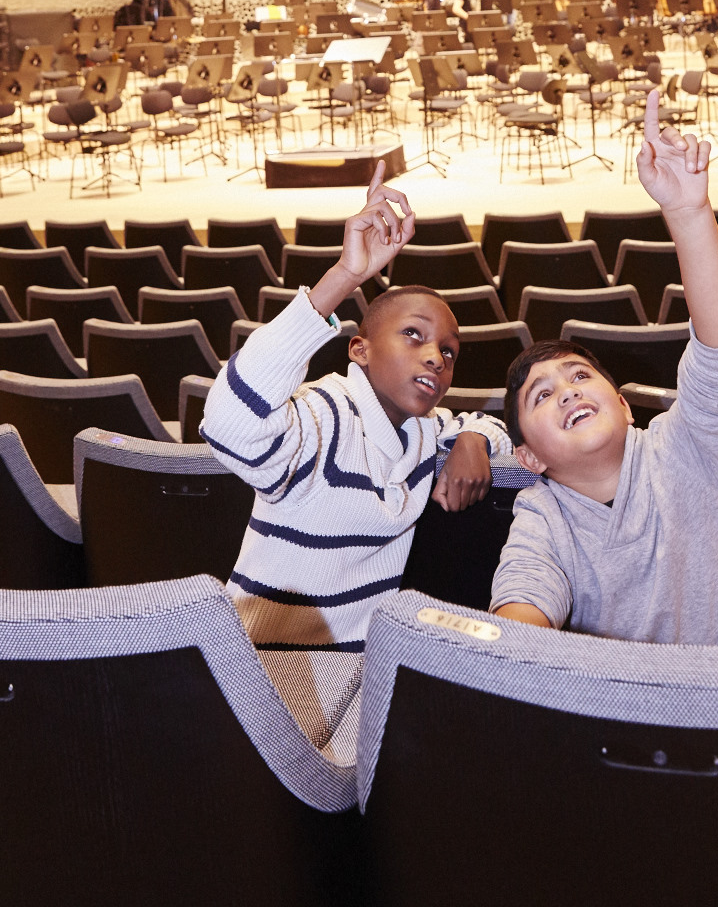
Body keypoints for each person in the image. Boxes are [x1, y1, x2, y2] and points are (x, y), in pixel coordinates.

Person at [490, 88, 718, 647]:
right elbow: (523, 603)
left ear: (625, 405)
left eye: (580, 376)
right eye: (542, 395)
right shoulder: (542, 514)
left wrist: (688, 213)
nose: (567, 392)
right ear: (527, 457)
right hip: (637, 731)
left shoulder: (692, 445)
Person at [201, 164, 510, 660]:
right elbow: (230, 424)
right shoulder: (324, 419)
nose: (436, 356)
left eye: (449, 352)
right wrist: (344, 276)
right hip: (269, 669)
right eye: (414, 335)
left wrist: (474, 440)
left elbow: (488, 426)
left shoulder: (424, 431)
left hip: (357, 670)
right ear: (359, 351)